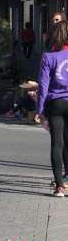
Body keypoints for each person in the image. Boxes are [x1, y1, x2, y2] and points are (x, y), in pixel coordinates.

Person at [35, 20, 68, 197]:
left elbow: (43, 87)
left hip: (55, 103)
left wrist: (39, 110)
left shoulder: (49, 57)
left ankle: (60, 186)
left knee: (57, 143)